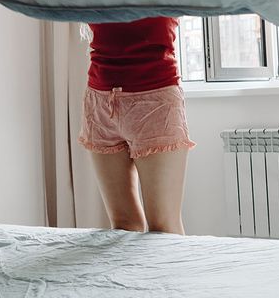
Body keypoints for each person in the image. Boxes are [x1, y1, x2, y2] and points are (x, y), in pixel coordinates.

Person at [78, 17, 194, 234]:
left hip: (155, 100)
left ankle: (169, 270)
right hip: (100, 101)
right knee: (123, 225)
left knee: (163, 227)